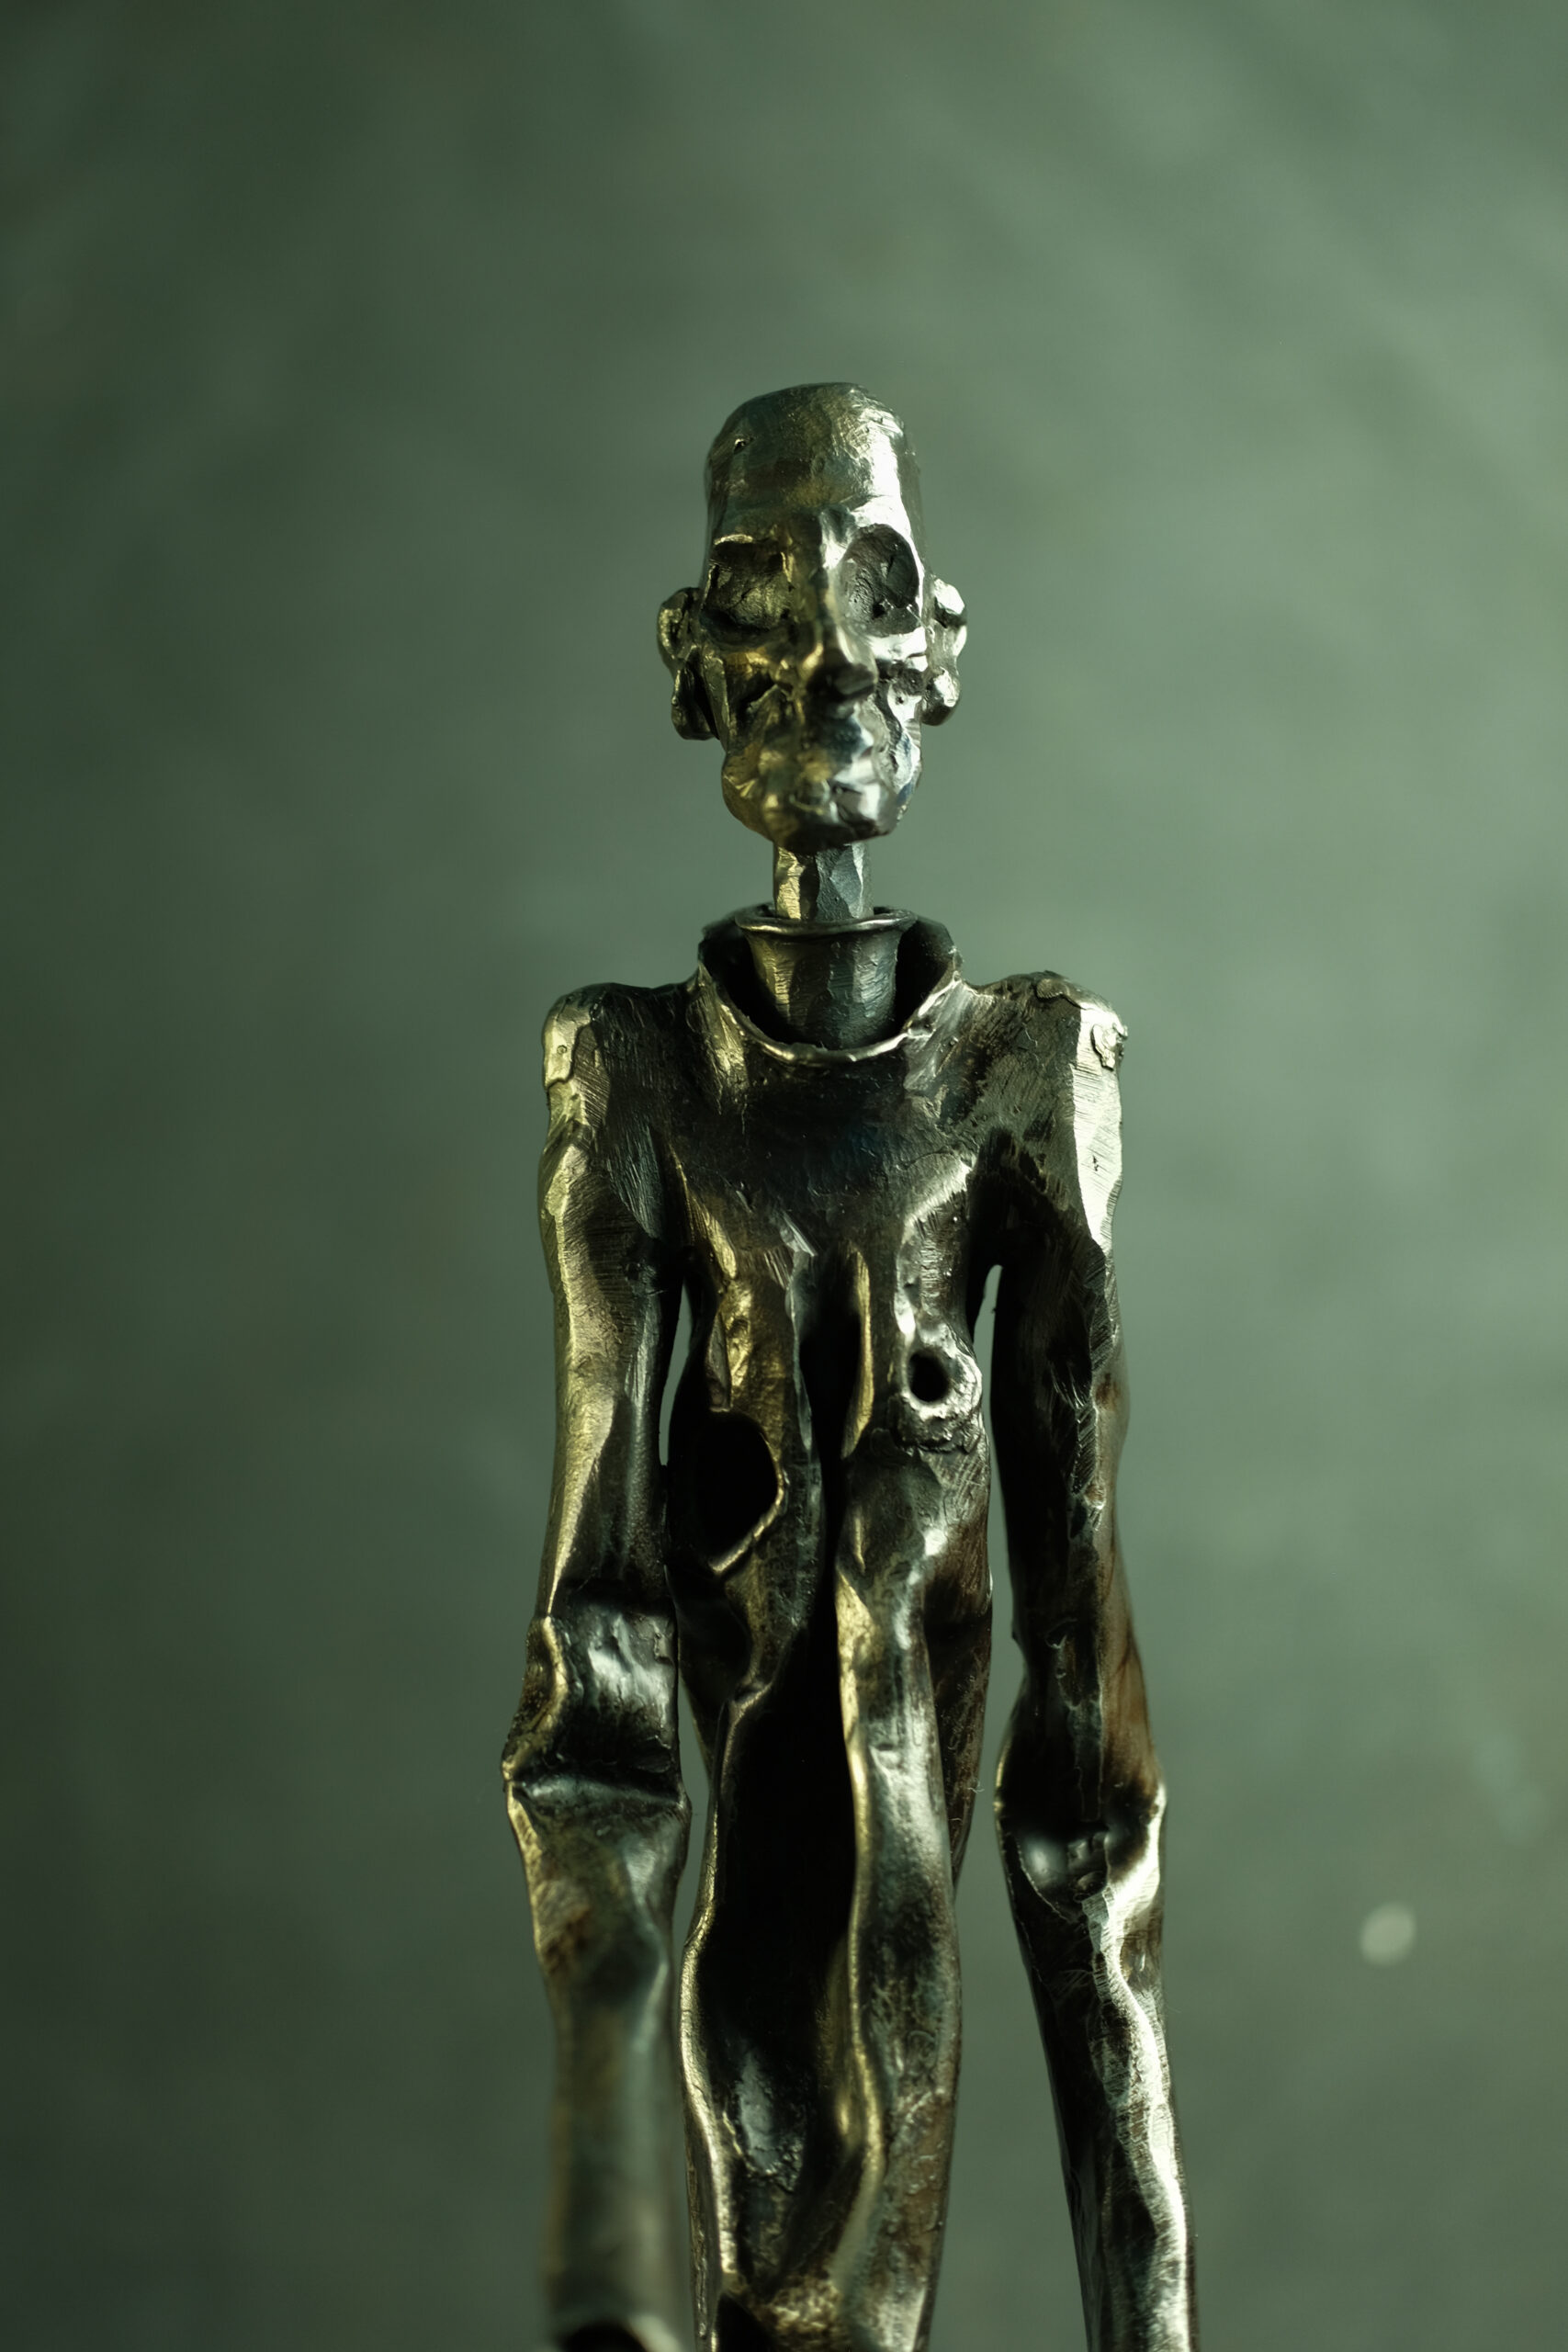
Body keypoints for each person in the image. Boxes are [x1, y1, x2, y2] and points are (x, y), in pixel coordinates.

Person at [504, 384, 1196, 2352]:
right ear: (691, 660)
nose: (818, 655)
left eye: (871, 586)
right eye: (759, 593)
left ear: (937, 646)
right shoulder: (634, 1082)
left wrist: (1147, 2306)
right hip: (740, 2100)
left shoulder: (1024, 1084)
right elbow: (594, 1705)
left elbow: (1086, 1783)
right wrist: (608, 2252)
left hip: (921, 2014)